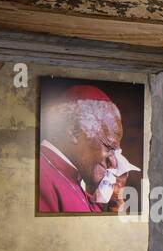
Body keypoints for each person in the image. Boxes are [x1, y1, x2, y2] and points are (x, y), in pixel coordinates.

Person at [37, 84, 123, 213]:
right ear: (74, 132)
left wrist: (108, 208)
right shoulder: (40, 178)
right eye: (109, 147)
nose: (114, 163)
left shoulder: (72, 177)